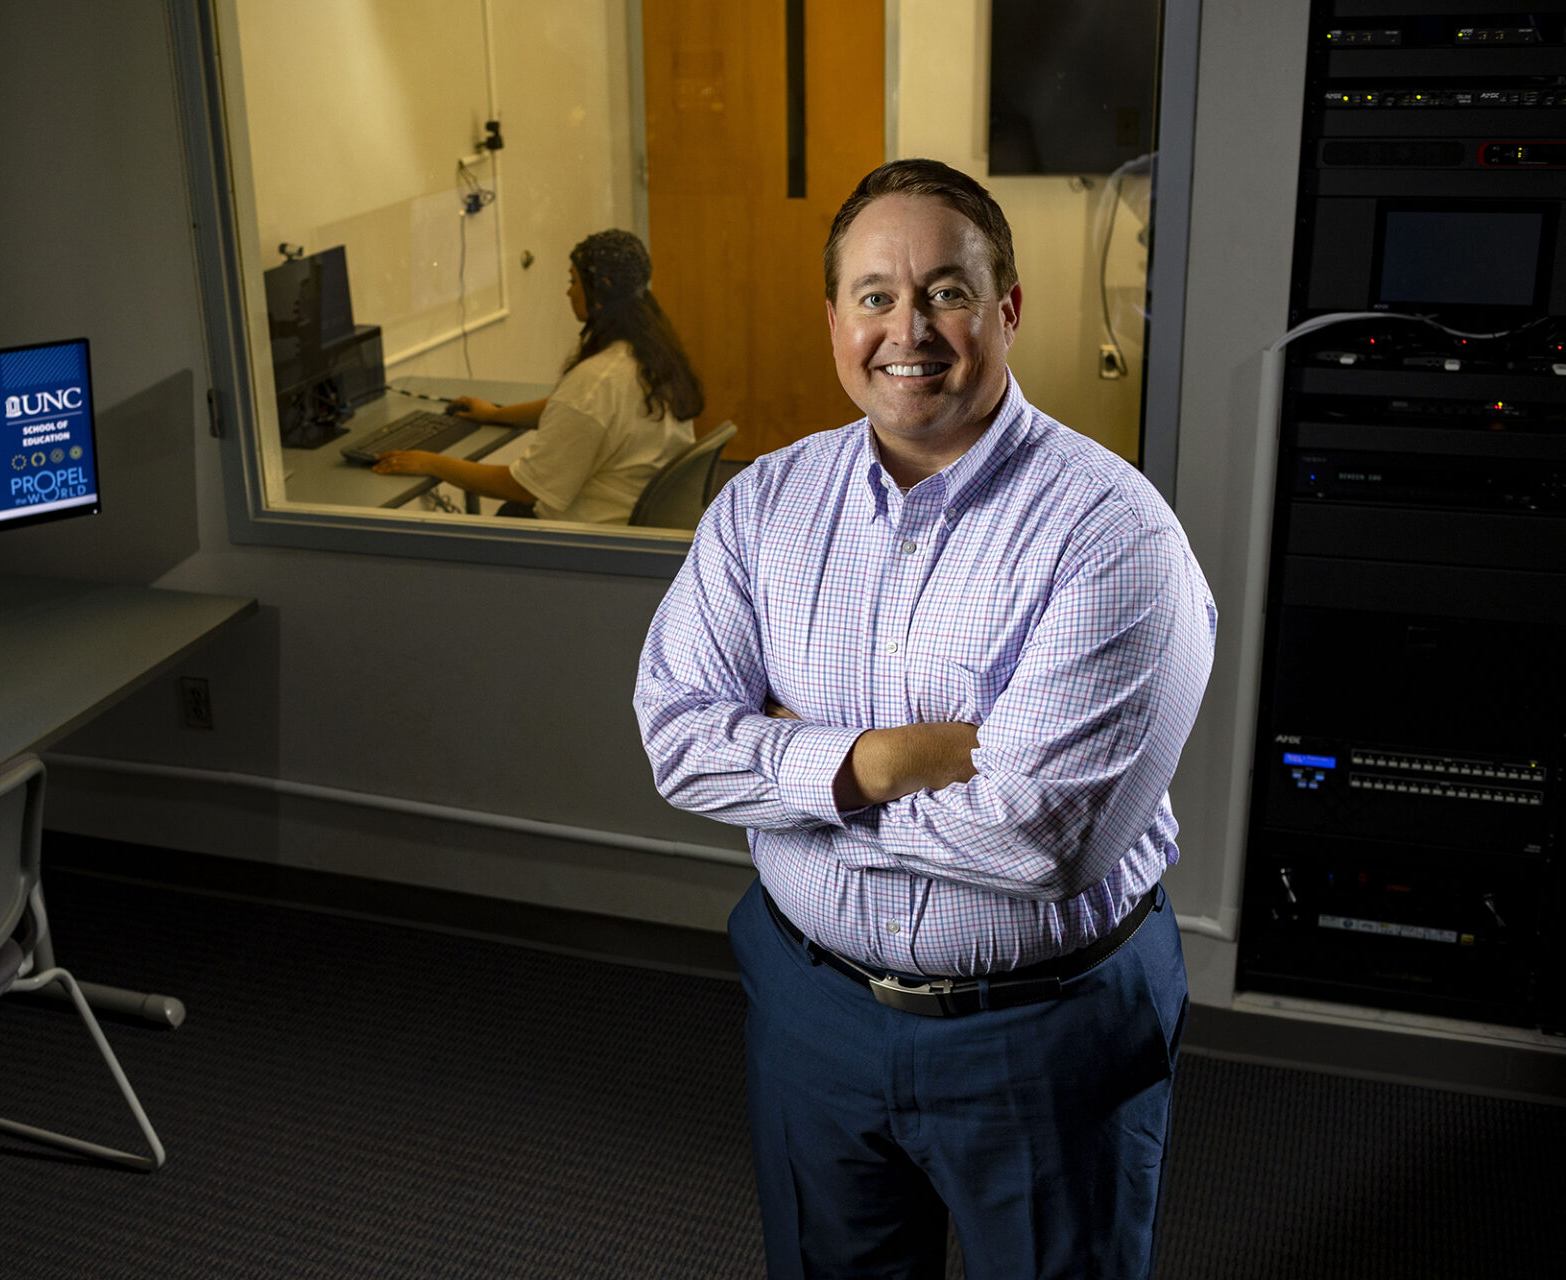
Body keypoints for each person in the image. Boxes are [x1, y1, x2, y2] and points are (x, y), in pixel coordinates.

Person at [634, 159, 1217, 1278]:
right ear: (836, 317)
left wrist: (794, 771)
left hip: (1042, 1031)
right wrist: (896, 759)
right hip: (811, 1009)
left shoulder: (1111, 533)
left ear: (1005, 310)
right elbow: (676, 742)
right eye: (874, 295)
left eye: (946, 291)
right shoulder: (764, 505)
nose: (909, 328)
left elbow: (1044, 837)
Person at [372, 229, 704, 523]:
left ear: (600, 289)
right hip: (631, 520)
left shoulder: (595, 382)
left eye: (573, 281)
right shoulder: (649, 353)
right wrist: (496, 414)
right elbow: (579, 410)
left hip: (590, 538)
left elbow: (522, 487)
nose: (568, 292)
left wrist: (433, 464)